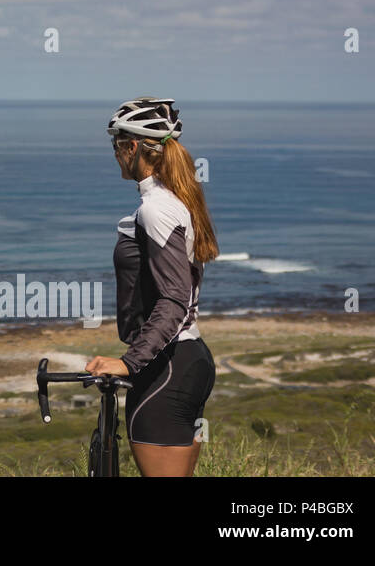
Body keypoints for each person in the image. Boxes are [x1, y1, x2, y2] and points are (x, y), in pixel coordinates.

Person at [85, 97, 218, 476]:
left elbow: (175, 298)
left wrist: (129, 362)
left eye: (115, 145)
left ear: (132, 148)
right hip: (187, 361)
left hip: (168, 369)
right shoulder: (176, 201)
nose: (114, 154)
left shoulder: (156, 209)